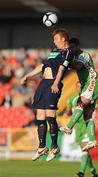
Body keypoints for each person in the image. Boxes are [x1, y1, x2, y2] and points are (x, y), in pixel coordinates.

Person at [20, 28, 74, 161]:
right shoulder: (54, 51)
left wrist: (56, 83)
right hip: (43, 84)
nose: (54, 41)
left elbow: (61, 69)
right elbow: (42, 66)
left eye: (56, 39)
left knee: (50, 115)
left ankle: (54, 146)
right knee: (39, 115)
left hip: (53, 84)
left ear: (63, 39)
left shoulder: (68, 53)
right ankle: (42, 146)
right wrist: (28, 75)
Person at [51, 37, 98, 151]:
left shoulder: (84, 55)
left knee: (80, 102)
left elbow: (78, 66)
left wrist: (66, 63)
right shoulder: (74, 56)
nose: (71, 49)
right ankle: (92, 140)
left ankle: (68, 127)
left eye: (73, 47)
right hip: (85, 86)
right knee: (87, 115)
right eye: (70, 48)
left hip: (91, 82)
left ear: (78, 46)